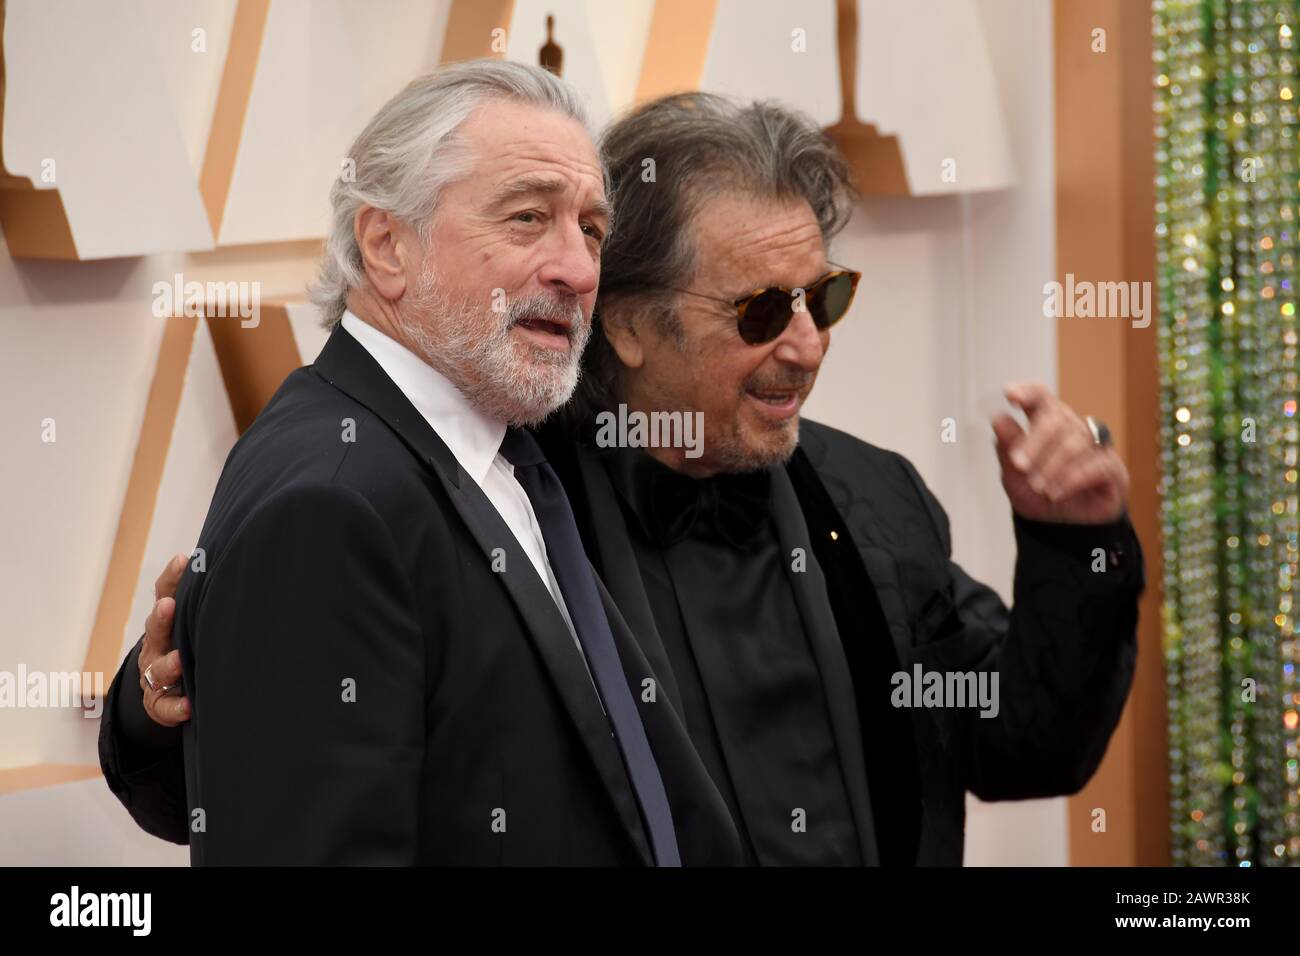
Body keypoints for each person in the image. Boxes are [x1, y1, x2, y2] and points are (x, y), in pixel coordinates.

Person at [104, 86, 1144, 867]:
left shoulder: (871, 498)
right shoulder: (495, 489)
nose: (805, 345)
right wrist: (160, 701)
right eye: (756, 311)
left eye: (821, 299)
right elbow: (286, 778)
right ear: (632, 325)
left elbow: (1025, 740)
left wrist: (1077, 542)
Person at [98, 60, 741, 866]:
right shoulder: (332, 504)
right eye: (527, 217)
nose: (578, 270)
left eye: (591, 230)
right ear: (386, 245)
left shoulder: (494, 447)